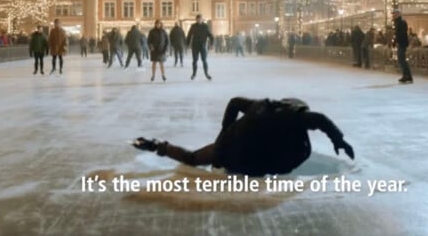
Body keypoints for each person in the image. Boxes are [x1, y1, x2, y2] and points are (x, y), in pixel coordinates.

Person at [133, 97, 354, 176]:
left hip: (229, 146)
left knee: (193, 158)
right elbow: (321, 120)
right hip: (249, 159)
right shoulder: (295, 117)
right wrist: (339, 140)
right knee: (297, 153)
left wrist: (224, 132)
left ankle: (156, 146)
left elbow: (235, 102)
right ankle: (239, 169)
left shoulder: (264, 105)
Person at [186, 14, 214, 80]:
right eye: (197, 19)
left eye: (200, 19)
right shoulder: (193, 26)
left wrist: (211, 44)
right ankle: (194, 74)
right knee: (195, 60)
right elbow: (189, 35)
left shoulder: (205, 26)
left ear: (202, 19)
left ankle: (206, 74)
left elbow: (211, 36)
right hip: (195, 46)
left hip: (203, 46)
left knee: (204, 60)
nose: (199, 20)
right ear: (196, 19)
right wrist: (187, 44)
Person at [391, 9, 413, 83]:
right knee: (401, 60)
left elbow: (401, 34)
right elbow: (397, 34)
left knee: (401, 60)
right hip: (401, 43)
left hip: (402, 43)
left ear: (398, 14)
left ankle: (406, 75)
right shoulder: (397, 22)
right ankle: (407, 76)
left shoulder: (401, 22)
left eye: (394, 14)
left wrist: (397, 41)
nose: (393, 15)